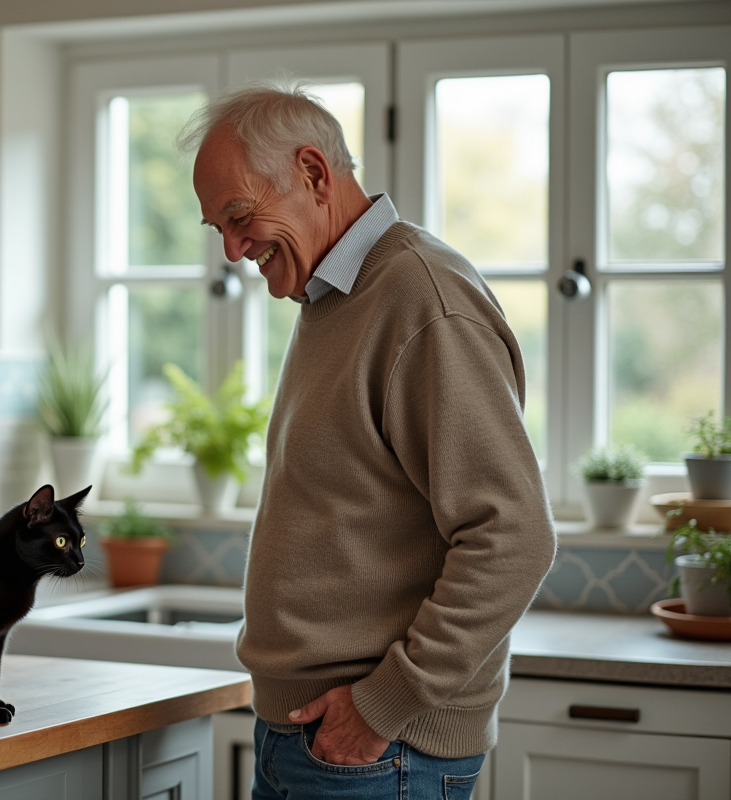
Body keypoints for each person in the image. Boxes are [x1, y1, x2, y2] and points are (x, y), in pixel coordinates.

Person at [180, 85, 556, 799]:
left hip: (378, 753)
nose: (232, 250)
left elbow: (514, 535)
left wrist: (382, 706)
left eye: (239, 216)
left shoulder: (420, 298)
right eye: (217, 230)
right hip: (320, 738)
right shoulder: (334, 296)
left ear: (315, 175)